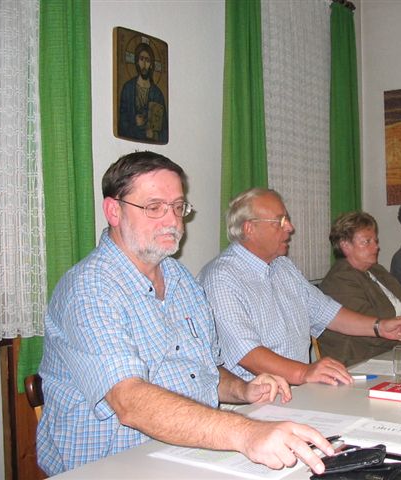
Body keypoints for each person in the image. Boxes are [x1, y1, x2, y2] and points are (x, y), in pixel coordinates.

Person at [37, 153, 334, 476]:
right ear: (114, 211)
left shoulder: (179, 278)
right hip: (111, 467)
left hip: (186, 452)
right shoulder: (89, 289)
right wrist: (247, 433)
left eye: (178, 207)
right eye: (154, 207)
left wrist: (244, 390)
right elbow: (129, 402)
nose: (172, 221)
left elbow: (205, 371)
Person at [197, 188, 401, 385]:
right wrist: (305, 372)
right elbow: (247, 354)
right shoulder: (221, 278)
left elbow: (327, 312)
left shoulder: (283, 267)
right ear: (250, 228)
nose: (290, 228)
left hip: (296, 390)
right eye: (280, 221)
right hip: (254, 400)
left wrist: (379, 327)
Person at [319, 211, 401, 366]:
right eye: (367, 242)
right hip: (360, 362)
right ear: (345, 246)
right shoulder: (339, 280)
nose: (376, 247)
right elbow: (370, 331)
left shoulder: (377, 271)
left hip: (396, 351)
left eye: (375, 240)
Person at [118, 42, 168, 143]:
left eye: (148, 60)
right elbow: (122, 126)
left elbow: (165, 131)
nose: (144, 64)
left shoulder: (157, 94)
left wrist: (154, 135)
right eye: (141, 59)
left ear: (151, 64)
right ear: (137, 62)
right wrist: (135, 122)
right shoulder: (128, 89)